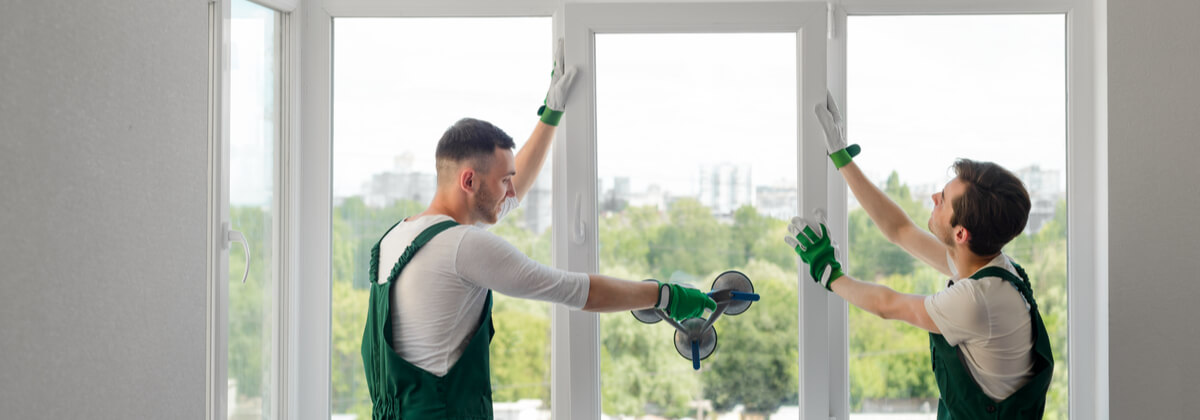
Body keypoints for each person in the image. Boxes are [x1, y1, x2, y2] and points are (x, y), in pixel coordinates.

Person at [360, 41, 717, 420]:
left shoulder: (397, 238)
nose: (512, 192)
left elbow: (509, 193)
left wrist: (551, 114)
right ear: (468, 181)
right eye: (503, 181)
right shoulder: (465, 247)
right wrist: (666, 296)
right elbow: (579, 291)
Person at [786, 93, 1054, 419]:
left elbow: (888, 305)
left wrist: (827, 271)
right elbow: (901, 230)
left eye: (943, 199)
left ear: (960, 234)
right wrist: (842, 158)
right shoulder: (990, 265)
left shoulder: (976, 300)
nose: (933, 197)